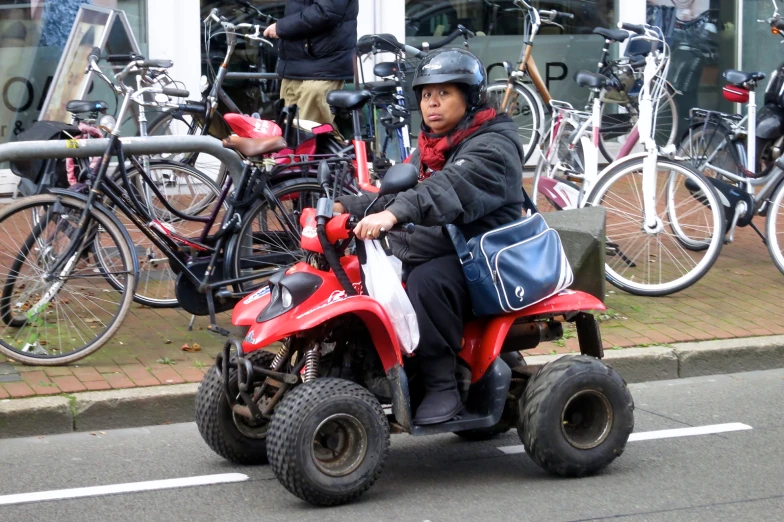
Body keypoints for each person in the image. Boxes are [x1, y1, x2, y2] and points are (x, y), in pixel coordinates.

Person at [334, 48, 524, 425]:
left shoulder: (492, 147)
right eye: (425, 95)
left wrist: (392, 216)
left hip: (487, 257)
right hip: (452, 246)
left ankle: (443, 383)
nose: (431, 104)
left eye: (444, 94)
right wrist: (346, 207)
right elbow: (397, 190)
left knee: (425, 281)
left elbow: (443, 190)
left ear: (469, 98)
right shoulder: (435, 146)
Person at [263, 0, 358, 125]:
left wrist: (280, 27)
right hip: (297, 66)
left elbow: (326, 12)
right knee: (292, 135)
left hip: (321, 67)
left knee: (309, 134)